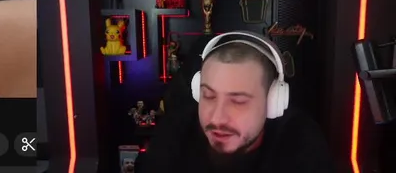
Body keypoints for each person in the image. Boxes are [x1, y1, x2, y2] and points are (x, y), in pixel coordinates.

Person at [134, 32, 332, 172]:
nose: (217, 118)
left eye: (238, 101)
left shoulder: (302, 145)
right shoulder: (174, 134)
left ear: (272, 102)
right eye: (208, 96)